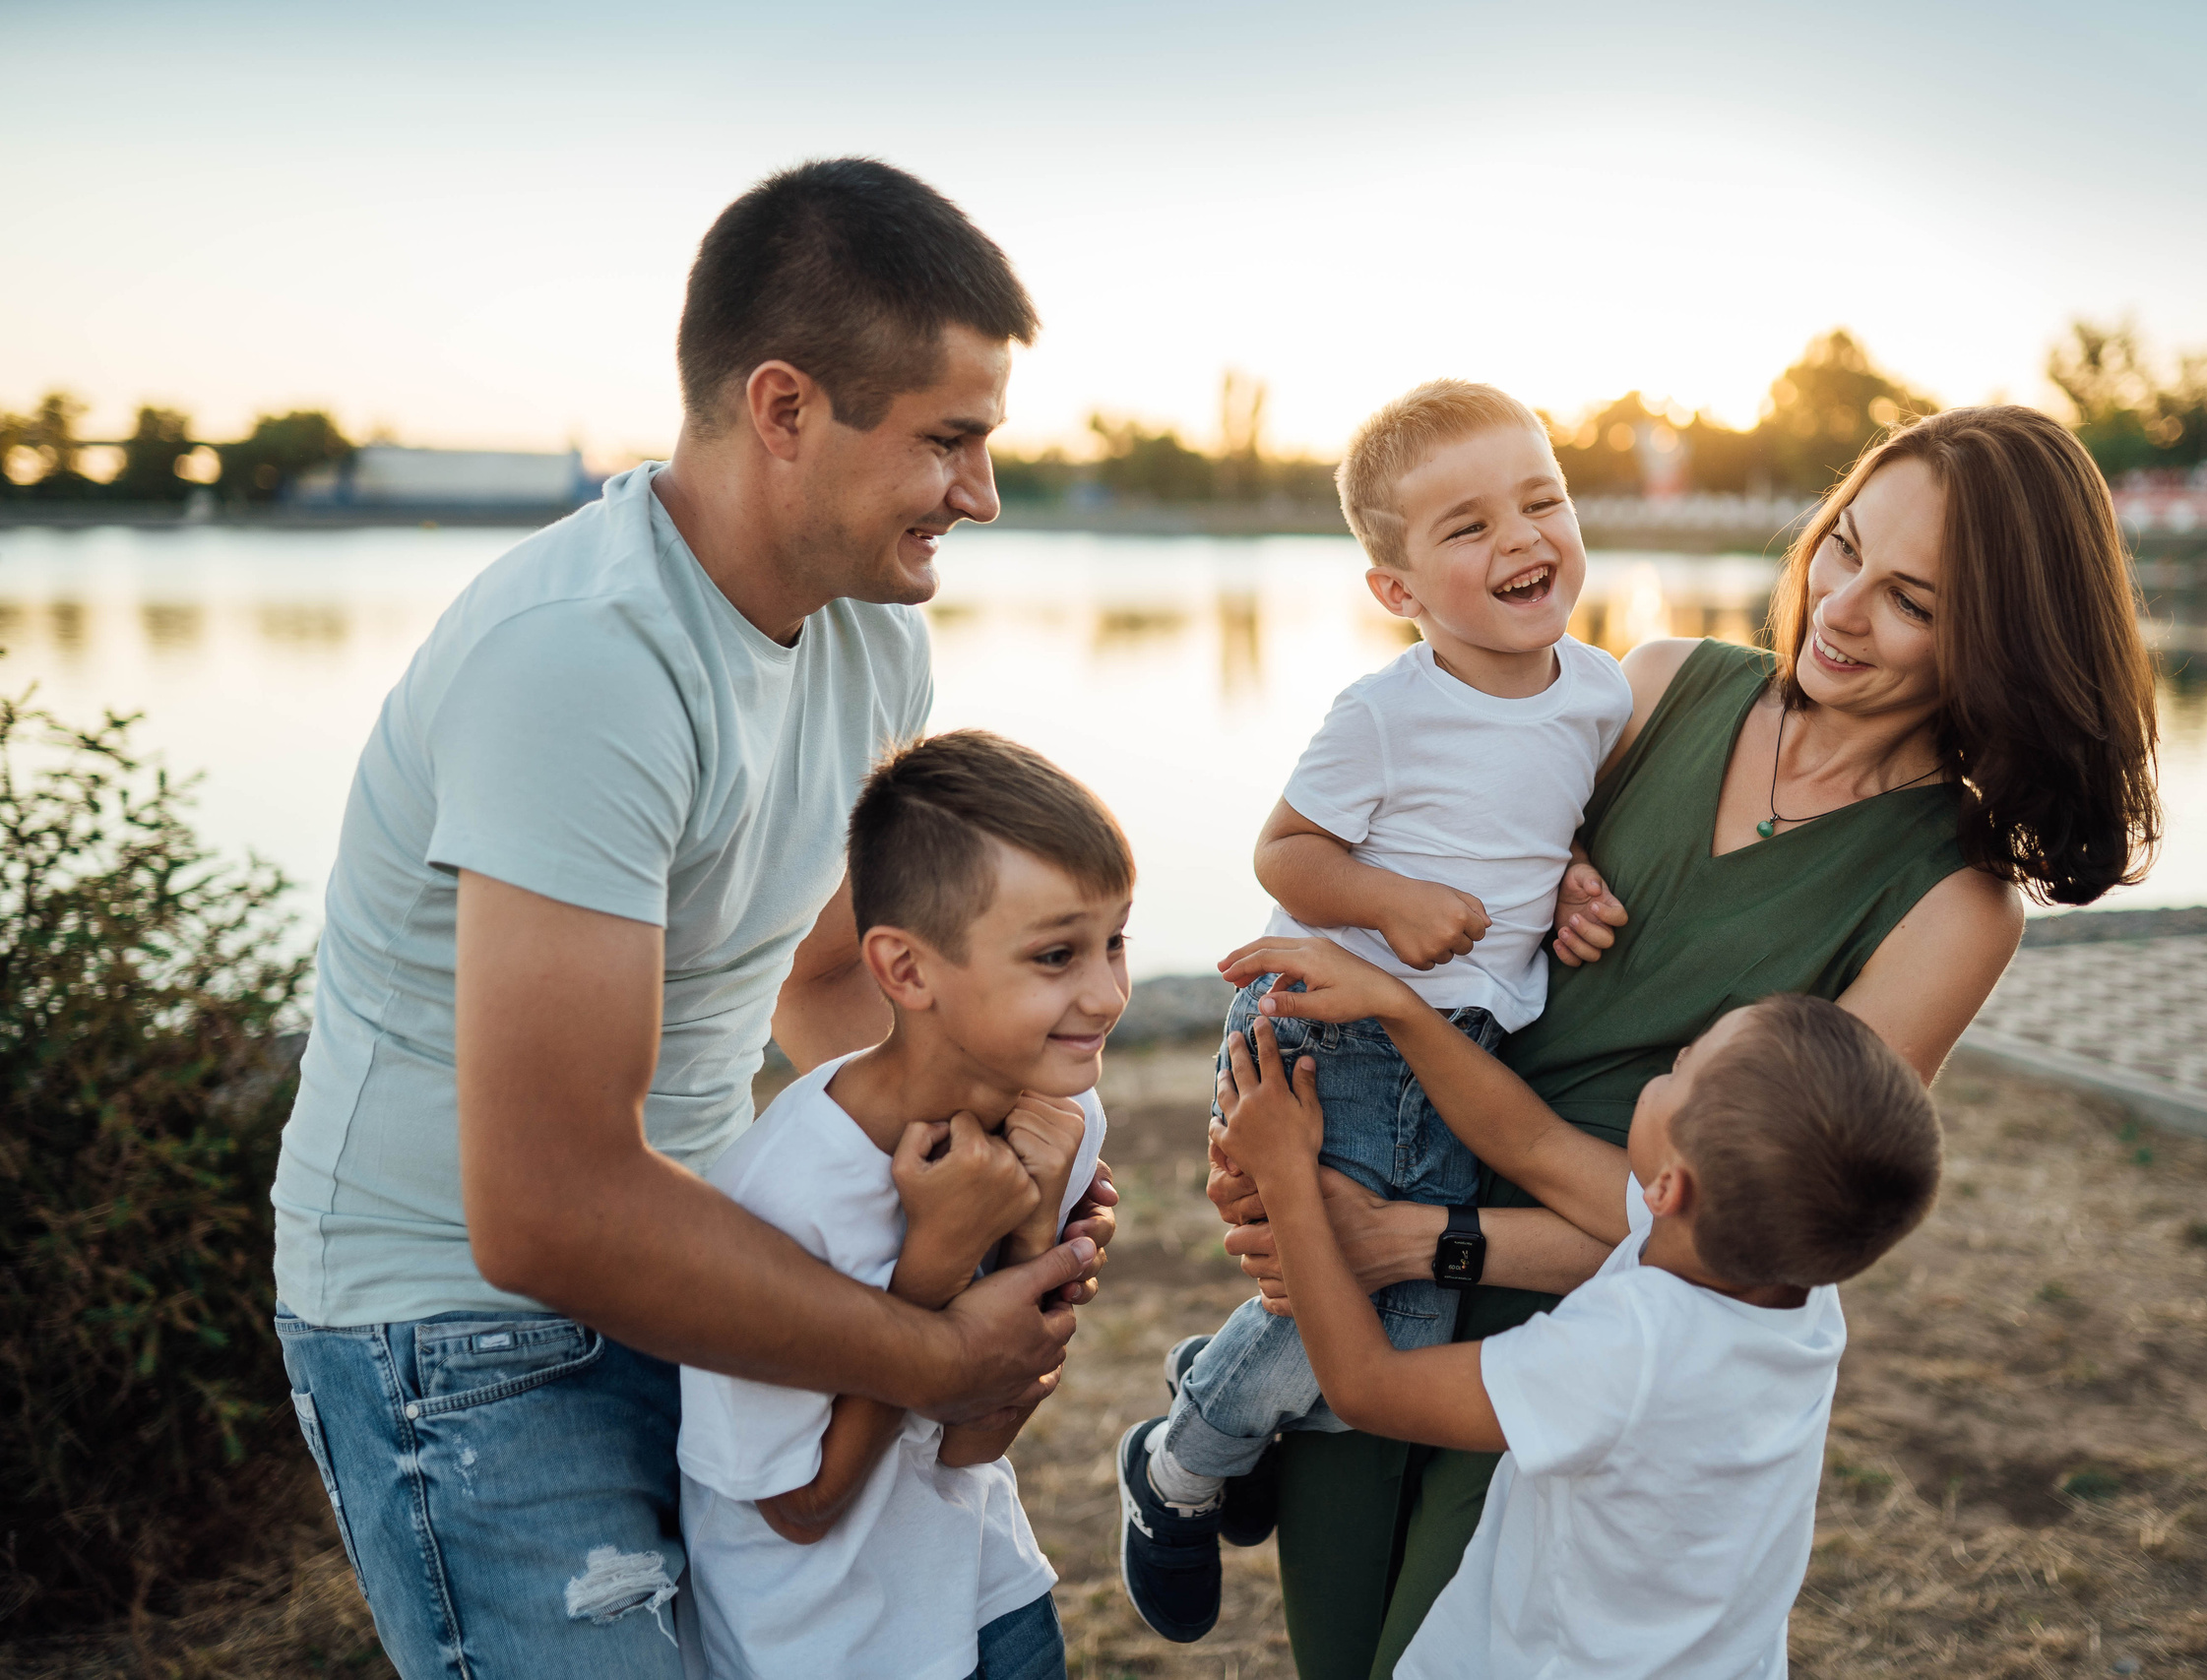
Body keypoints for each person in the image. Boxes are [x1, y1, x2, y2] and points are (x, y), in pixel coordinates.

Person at [268, 160, 1116, 1680]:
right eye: (949, 441)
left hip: (713, 1240)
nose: (980, 493)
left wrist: (986, 1177)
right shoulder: (582, 662)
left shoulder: (866, 637)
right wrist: (931, 1349)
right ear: (784, 408)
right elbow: (543, 1204)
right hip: (461, 1322)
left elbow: (826, 977)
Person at [1208, 405, 2164, 1677]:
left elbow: (1761, 1220)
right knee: (1332, 1651)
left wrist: (1434, 1237)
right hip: (1373, 1223)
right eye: (1843, 548)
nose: (1841, 607)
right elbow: (1425, 870)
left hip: (1582, 1332)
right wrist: (1291, 1160)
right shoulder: (1651, 688)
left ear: (2000, 643)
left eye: (1913, 600)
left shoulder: (1958, 903)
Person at [1114, 381, 1630, 1643]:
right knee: (1359, 1303)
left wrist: (1568, 882)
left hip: (1455, 1049)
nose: (1519, 539)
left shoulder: (1599, 695)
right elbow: (1286, 853)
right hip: (1339, 1030)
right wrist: (1388, 900)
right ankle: (1176, 1466)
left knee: (1389, 1311)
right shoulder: (1387, 713)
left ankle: (1223, 1406)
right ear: (1395, 591)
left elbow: (1541, 831)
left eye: (1540, 501)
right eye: (1465, 528)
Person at [1213, 992, 1939, 1679]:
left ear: (1668, 1189)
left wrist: (1286, 1178)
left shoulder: (1628, 1350)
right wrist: (1397, 1004)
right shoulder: (1798, 1288)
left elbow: (1369, 1386)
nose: (1677, 1056)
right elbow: (1529, 1139)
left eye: (1681, 1070)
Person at [679, 732, 1129, 1680]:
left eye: (1115, 941)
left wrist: (1034, 1236)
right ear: (908, 970)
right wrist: (933, 1259)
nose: (1106, 993)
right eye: (1057, 954)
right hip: (817, 1648)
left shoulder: (1061, 1115)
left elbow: (973, 1437)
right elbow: (800, 1510)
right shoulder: (777, 1202)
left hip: (989, 1597)